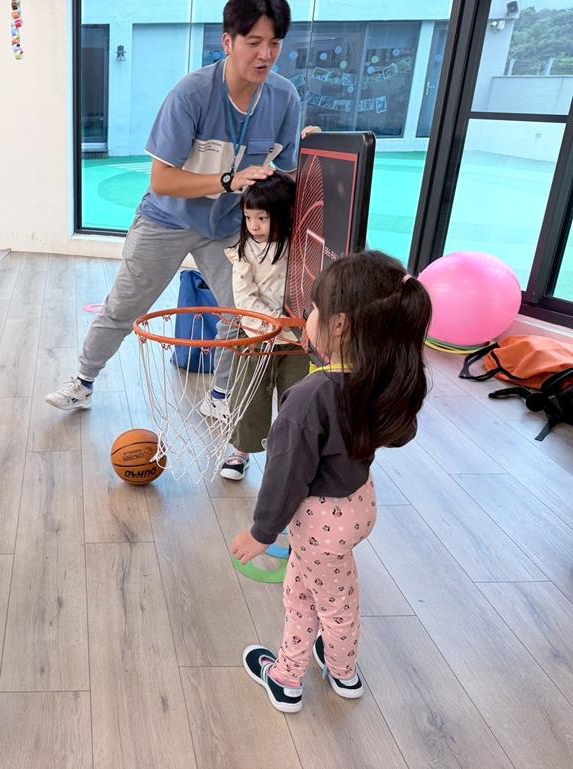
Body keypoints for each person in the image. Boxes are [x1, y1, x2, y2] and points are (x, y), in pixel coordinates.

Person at [46, 0, 300, 413]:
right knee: (124, 307)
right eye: (254, 42)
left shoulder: (285, 98)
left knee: (240, 314)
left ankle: (219, 398)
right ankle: (83, 381)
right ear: (228, 42)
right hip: (166, 218)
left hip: (226, 226)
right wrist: (228, 181)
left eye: (275, 43)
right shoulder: (192, 93)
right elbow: (162, 180)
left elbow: (288, 174)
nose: (265, 54)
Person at [230, 251, 432, 713]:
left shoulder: (309, 398)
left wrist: (262, 532)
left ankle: (299, 678)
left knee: (319, 600)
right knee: (321, 588)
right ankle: (331, 664)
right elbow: (398, 434)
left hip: (319, 524)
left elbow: (285, 478)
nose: (309, 317)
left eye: (314, 309)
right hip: (357, 507)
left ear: (339, 325)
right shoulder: (381, 379)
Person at [219, 170, 308, 481]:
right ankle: (240, 451)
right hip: (258, 336)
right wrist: (273, 322)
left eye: (262, 218)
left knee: (297, 399)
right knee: (249, 396)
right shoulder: (244, 252)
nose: (253, 226)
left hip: (298, 340)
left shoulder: (300, 244)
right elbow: (245, 298)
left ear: (284, 215)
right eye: (248, 218)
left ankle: (291, 456)